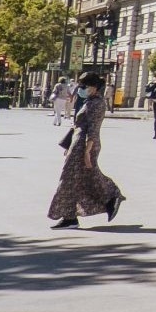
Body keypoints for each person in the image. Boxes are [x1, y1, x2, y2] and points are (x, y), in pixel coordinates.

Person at [48, 72, 124, 229]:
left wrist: (87, 151)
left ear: (93, 87)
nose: (81, 89)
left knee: (72, 179)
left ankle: (110, 195)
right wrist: (69, 145)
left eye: (84, 86)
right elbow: (78, 125)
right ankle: (74, 215)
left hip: (84, 145)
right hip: (78, 144)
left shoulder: (97, 104)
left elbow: (93, 128)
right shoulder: (89, 101)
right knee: (83, 179)